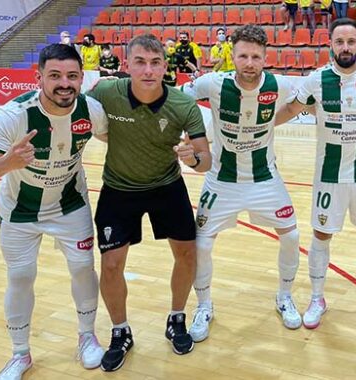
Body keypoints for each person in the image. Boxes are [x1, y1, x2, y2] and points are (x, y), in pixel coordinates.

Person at [0, 44, 107, 379]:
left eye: (72, 76)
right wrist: (6, 163)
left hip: (70, 204)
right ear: (39, 78)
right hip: (20, 210)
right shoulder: (14, 114)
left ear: (81, 78)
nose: (65, 83)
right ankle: (20, 355)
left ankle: (86, 336)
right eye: (55, 76)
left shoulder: (91, 110)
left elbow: (119, 139)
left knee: (82, 268)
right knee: (20, 277)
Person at [86, 34, 212, 372]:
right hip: (118, 187)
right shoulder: (104, 93)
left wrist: (193, 159)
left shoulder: (183, 105)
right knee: (111, 264)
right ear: (127, 65)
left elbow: (206, 160)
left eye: (155, 62)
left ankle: (176, 317)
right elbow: (78, 120)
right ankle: (120, 331)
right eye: (140, 62)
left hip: (167, 186)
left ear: (165, 66)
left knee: (187, 253)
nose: (148, 70)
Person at [178, 25, 303, 340]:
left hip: (265, 177)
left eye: (256, 56)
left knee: (292, 236)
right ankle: (204, 306)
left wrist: (273, 121)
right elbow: (178, 100)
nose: (249, 63)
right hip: (222, 179)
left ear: (265, 58)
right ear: (231, 56)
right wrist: (191, 134)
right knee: (202, 244)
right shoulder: (214, 83)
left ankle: (284, 297)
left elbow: (302, 101)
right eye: (243, 56)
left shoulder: (279, 84)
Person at [275, 18, 356, 329]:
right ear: (331, 44)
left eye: (350, 41)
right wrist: (258, 129)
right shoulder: (317, 80)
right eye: (339, 41)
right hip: (328, 174)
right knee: (321, 234)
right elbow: (290, 109)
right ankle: (317, 298)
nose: (345, 47)